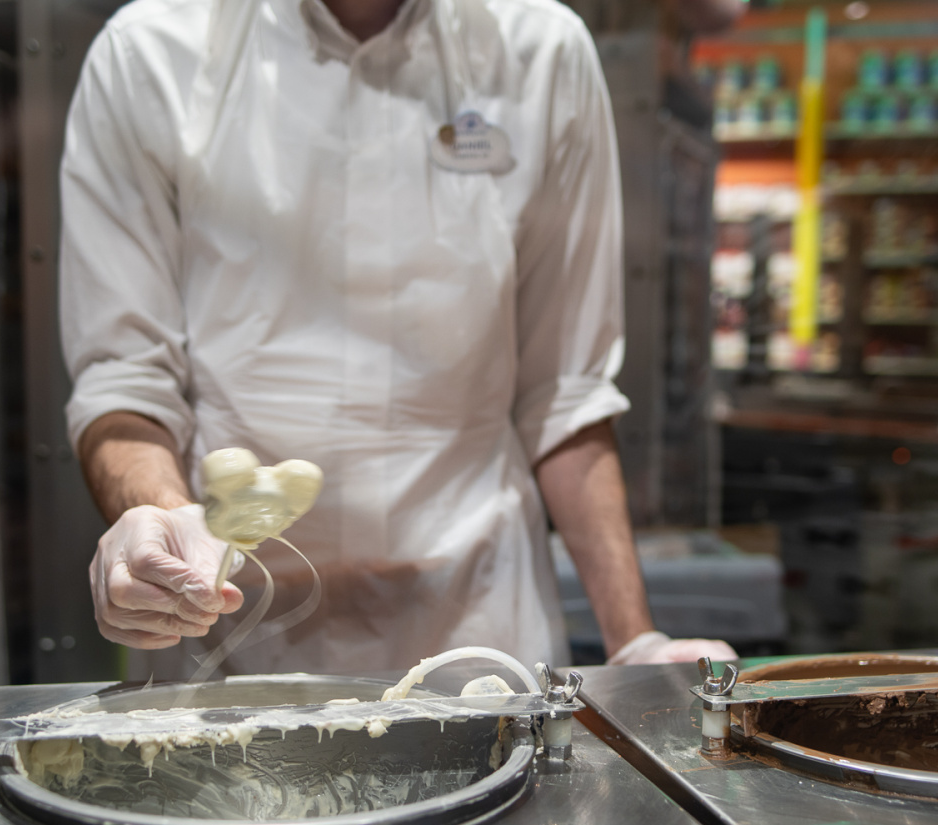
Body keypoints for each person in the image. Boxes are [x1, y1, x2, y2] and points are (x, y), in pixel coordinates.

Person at [60, 0, 736, 680]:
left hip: (476, 627)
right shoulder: (150, 54)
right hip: (231, 623)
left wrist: (633, 643)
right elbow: (126, 380)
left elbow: (564, 392)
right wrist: (163, 525)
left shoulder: (542, 50)